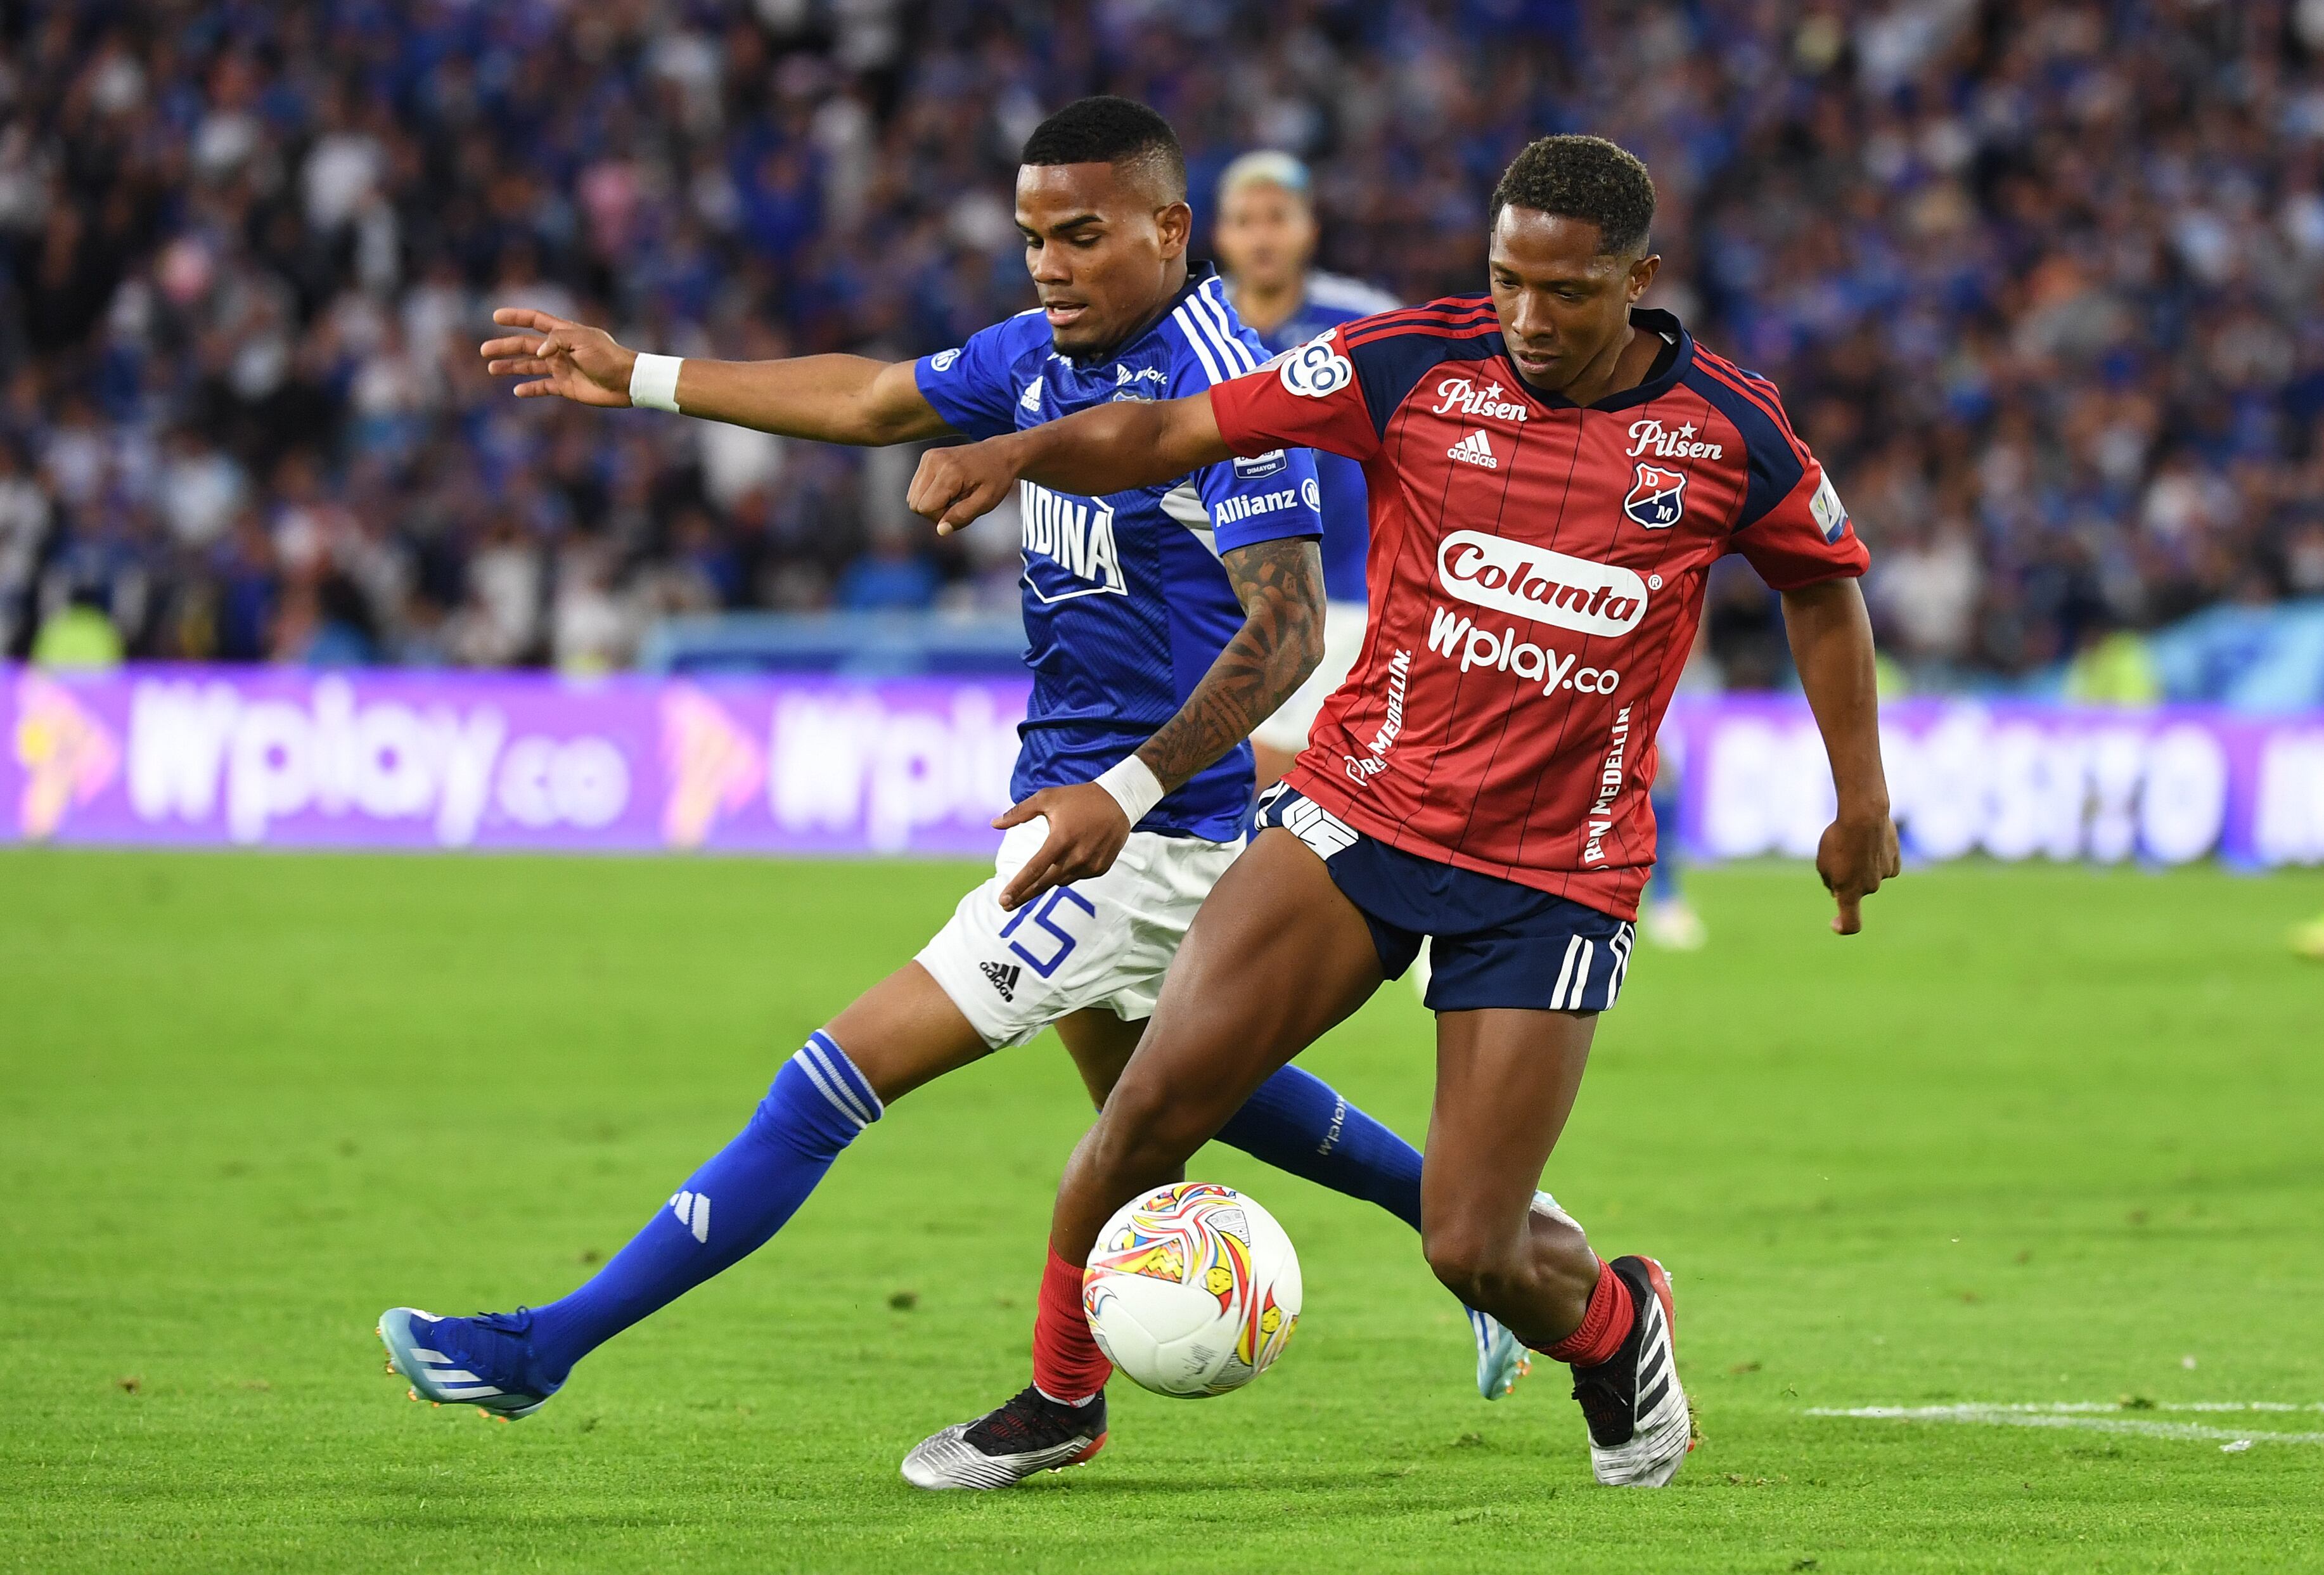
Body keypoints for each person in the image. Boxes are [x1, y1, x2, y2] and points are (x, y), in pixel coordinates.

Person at [375, 97, 1529, 1424]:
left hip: (1139, 836)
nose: (1049, 264)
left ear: (1170, 229)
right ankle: (1493, 1238)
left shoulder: (1227, 388)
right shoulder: (1041, 351)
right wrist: (638, 374)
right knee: (1190, 1092)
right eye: (1033, 236)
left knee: (828, 1080)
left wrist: (1127, 791)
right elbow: (873, 401)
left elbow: (1286, 630)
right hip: (1074, 802)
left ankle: (541, 1348)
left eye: (1082, 236)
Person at [898, 134, 1898, 1491]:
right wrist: (1022, 444)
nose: (1531, 321)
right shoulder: (1409, 360)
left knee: (1471, 1247)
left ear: (1640, 279)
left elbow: (1824, 584)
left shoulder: (1730, 431)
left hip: (1555, 872)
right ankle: (1064, 1397)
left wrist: (1859, 799)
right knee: (1142, 1112)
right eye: (1507, 284)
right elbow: (1171, 430)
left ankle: (1617, 1326)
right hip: (1358, 815)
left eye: (1568, 292)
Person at [1210, 151, 1398, 788]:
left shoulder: (1363, 322)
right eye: (1245, 220)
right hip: (1229, 594)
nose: (1262, 236)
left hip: (1344, 594)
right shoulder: (1200, 330)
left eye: (1277, 218)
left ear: (1308, 228)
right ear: (1221, 234)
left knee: (1277, 773)